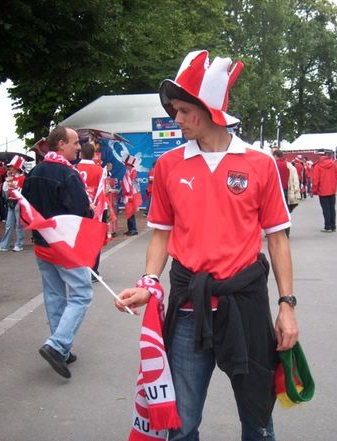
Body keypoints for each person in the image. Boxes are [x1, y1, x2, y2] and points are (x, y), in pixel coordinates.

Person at [114, 50, 298, 441]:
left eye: (183, 110)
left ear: (209, 109)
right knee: (180, 424)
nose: (175, 119)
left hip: (244, 306)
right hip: (187, 309)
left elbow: (277, 238)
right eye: (174, 111)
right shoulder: (169, 165)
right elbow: (161, 233)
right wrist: (149, 281)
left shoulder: (259, 162)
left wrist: (287, 306)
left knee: (259, 419)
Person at [22, 125, 94, 378]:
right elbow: (82, 211)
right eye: (75, 143)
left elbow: (24, 203)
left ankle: (61, 347)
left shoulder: (36, 171)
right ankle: (58, 345)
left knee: (54, 295)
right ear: (61, 144)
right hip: (65, 244)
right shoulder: (68, 174)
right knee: (82, 293)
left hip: (42, 243)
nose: (79, 147)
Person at [76, 143, 104, 280]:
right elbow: (101, 192)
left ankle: (80, 270)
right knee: (94, 240)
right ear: (94, 154)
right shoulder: (99, 170)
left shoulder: (75, 168)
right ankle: (93, 271)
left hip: (79, 208)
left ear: (80, 154)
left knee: (80, 239)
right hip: (94, 208)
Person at [0, 155, 26, 252]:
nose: (10, 169)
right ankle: (4, 245)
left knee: (19, 225)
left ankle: (19, 244)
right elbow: (5, 191)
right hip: (11, 202)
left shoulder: (22, 178)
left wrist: (13, 186)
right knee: (8, 225)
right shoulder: (11, 177)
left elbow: (22, 192)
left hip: (18, 203)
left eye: (12, 167)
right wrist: (7, 181)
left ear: (17, 167)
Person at [311, 151, 337, 232]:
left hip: (323, 190)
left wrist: (313, 191)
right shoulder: (333, 164)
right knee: (332, 208)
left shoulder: (318, 165)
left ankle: (327, 226)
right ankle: (333, 225)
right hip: (332, 190)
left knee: (325, 209)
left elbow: (315, 180)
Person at [122, 155, 141, 236]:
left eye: (126, 164)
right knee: (129, 211)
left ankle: (133, 229)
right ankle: (130, 229)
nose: (125, 165)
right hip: (129, 194)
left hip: (131, 194)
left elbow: (134, 184)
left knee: (130, 211)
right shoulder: (129, 171)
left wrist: (132, 195)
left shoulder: (133, 171)